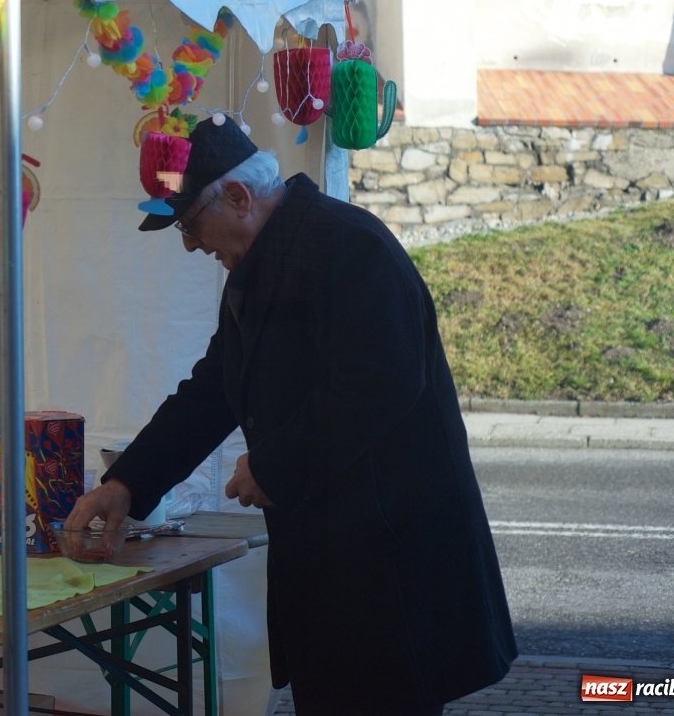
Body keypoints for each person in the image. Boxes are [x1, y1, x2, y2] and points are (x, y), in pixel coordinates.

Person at [67, 117, 515, 716]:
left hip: (389, 559)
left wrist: (273, 466)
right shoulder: (254, 265)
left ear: (238, 197)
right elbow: (213, 389)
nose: (190, 244)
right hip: (330, 560)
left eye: (189, 223)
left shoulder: (348, 246)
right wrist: (128, 481)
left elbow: (380, 382)